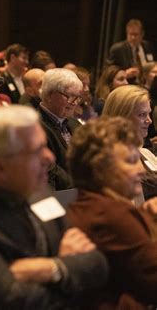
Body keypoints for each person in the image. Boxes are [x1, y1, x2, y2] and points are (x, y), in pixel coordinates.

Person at [0, 105, 108, 309]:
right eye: (36, 151)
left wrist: (52, 268)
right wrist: (71, 271)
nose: (50, 158)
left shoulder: (35, 190)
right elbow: (13, 302)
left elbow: (98, 263)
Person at [66, 116, 157, 309]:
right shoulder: (112, 215)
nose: (141, 170)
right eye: (131, 161)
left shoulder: (88, 207)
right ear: (100, 169)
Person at [102, 85, 157, 201]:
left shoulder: (145, 152)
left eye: (149, 114)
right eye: (142, 115)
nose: (149, 121)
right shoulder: (106, 158)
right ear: (121, 117)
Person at [38, 68, 83, 189]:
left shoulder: (75, 124)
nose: (74, 103)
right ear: (49, 95)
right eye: (70, 96)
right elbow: (49, 171)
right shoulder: (34, 127)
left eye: (78, 97)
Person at [106, 19, 155, 83]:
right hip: (127, 84)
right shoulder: (118, 49)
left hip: (146, 84)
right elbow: (108, 71)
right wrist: (125, 73)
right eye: (130, 34)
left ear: (142, 34)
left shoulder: (148, 46)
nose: (133, 37)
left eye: (136, 34)